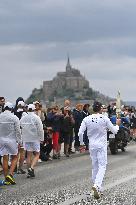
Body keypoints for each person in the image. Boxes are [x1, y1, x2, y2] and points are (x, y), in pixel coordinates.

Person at [78, 101, 120, 199]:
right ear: (100, 109)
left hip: (92, 145)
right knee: (102, 166)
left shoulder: (86, 118)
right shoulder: (105, 118)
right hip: (101, 145)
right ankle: (96, 186)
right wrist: (117, 124)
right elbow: (114, 131)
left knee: (95, 166)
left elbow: (80, 133)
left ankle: (97, 188)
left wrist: (81, 144)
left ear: (93, 109)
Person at [0, 102, 21, 185]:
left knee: (5, 158)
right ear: (12, 109)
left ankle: (6, 179)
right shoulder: (14, 117)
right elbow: (18, 131)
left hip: (1, 140)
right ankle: (10, 174)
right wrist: (19, 141)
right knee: (15, 157)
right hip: (12, 140)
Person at [20, 104, 44, 178]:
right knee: (37, 154)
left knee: (29, 155)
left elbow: (20, 125)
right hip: (35, 138)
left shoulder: (24, 118)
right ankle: (31, 168)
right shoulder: (36, 117)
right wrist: (41, 138)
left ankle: (29, 173)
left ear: (27, 109)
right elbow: (40, 129)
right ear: (34, 110)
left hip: (26, 138)